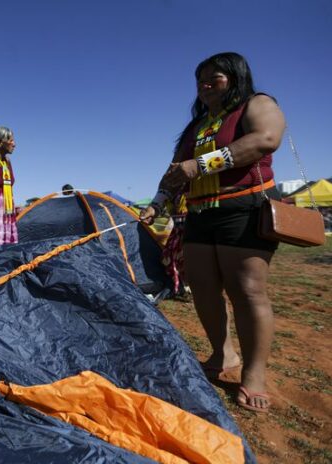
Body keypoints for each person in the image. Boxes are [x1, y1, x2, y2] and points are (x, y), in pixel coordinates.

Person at [140, 52, 285, 413]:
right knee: (204, 289)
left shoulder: (258, 104)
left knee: (248, 292)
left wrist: (199, 165)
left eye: (214, 78)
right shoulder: (197, 127)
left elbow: (266, 139)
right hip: (200, 215)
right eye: (200, 80)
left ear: (235, 78)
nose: (204, 86)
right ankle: (223, 354)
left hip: (244, 210)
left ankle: (253, 374)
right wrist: (157, 203)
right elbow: (175, 171)